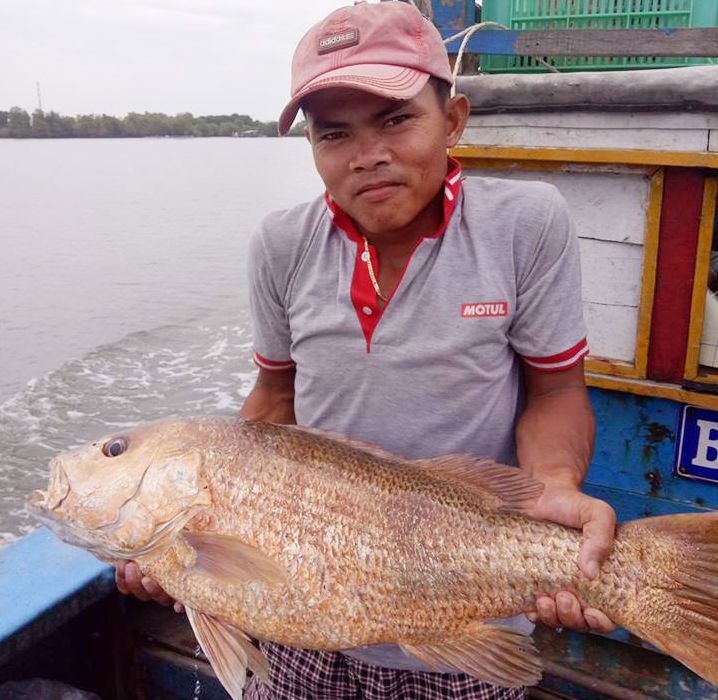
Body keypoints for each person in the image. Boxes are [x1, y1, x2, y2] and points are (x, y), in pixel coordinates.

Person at [116, 1, 617, 697]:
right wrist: (184, 539)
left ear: (455, 120)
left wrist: (556, 487)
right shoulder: (282, 244)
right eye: (333, 134)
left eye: (397, 119)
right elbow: (274, 400)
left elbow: (556, 391)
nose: (367, 155)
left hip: (458, 614)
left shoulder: (525, 224)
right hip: (297, 606)